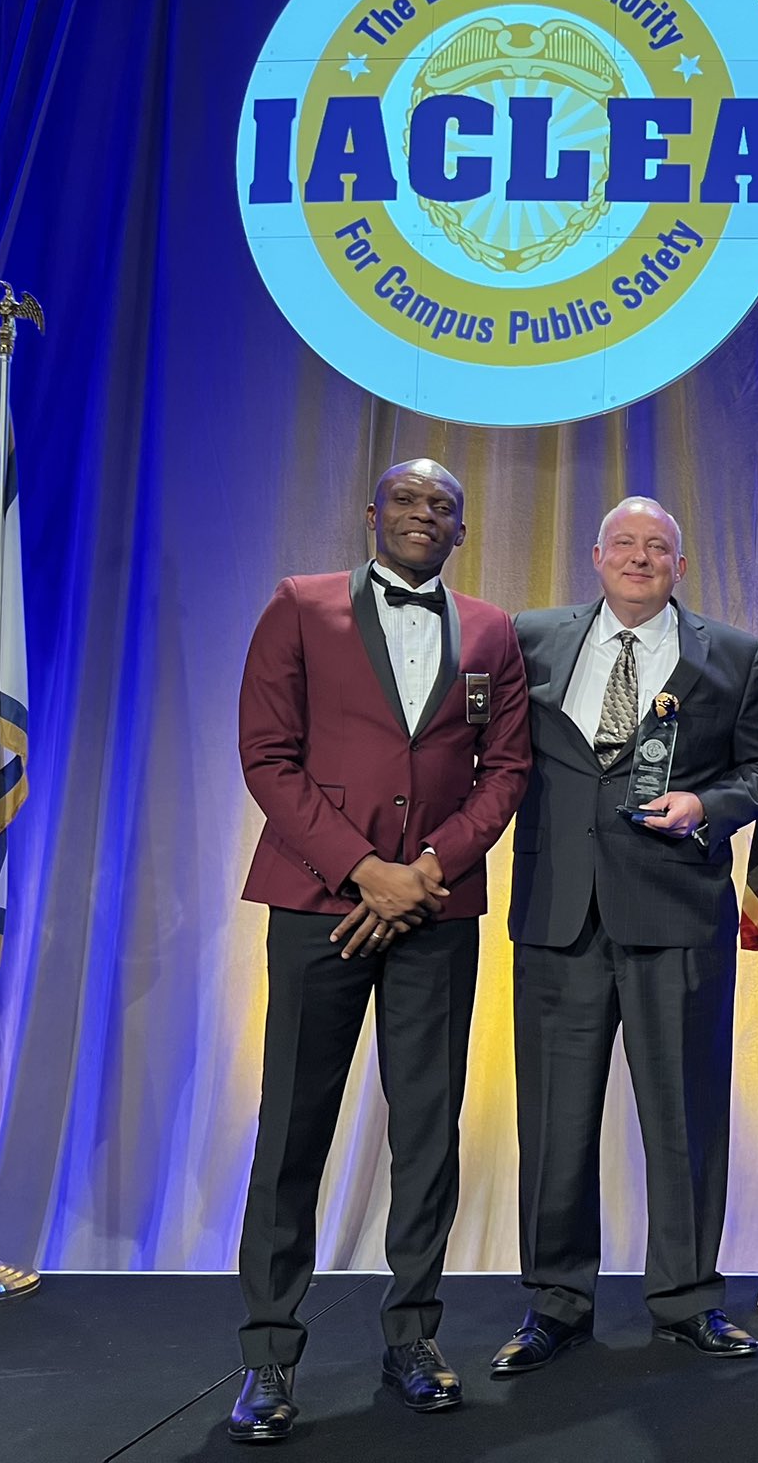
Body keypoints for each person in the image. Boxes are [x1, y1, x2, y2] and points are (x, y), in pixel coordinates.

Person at [230, 459, 531, 1444]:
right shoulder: (299, 605)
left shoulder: (490, 630)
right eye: (406, 500)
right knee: (292, 1133)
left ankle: (413, 1336)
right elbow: (266, 756)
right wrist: (365, 870)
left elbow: (507, 767)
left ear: (460, 531)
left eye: (441, 507)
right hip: (320, 904)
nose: (422, 515)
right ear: (371, 514)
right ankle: (269, 1355)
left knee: (427, 1132)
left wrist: (427, 870)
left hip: (435, 915)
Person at [491, 496, 758, 1374]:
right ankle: (554, 1304)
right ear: (595, 556)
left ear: (681, 568)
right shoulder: (531, 638)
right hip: (558, 911)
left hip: (675, 911)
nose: (638, 557)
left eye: (656, 547)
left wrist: (709, 806)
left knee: (687, 1116)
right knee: (553, 1124)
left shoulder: (731, 655)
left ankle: (690, 1299)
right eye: (624, 544)